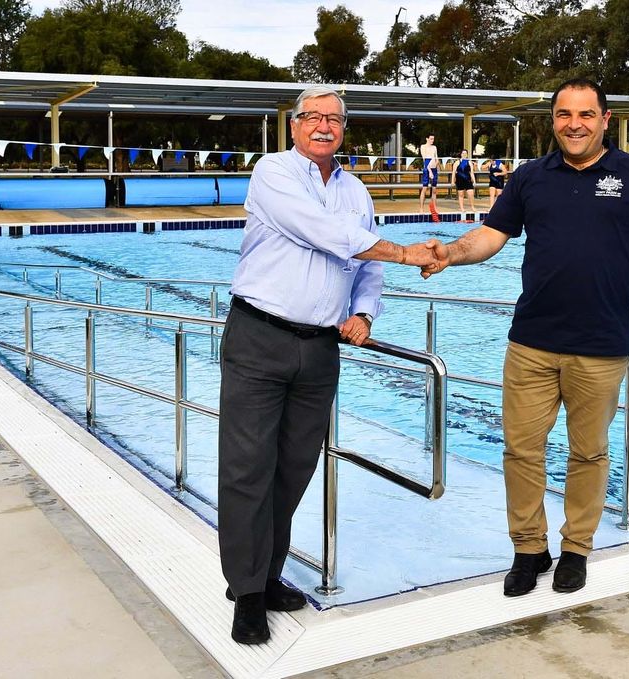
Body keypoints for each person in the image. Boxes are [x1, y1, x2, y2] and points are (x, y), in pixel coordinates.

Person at [419, 78, 629, 597]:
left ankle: (576, 549)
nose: (574, 124)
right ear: (553, 121)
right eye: (564, 114)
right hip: (532, 341)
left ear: (605, 119)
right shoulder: (531, 177)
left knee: (588, 454)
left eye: (586, 114)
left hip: (603, 343)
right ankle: (528, 549)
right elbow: (491, 236)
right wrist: (450, 253)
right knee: (521, 450)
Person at [219, 85, 437, 645]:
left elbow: (365, 267)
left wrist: (363, 313)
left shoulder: (355, 190)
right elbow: (325, 233)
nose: (323, 126)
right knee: (247, 468)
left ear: (344, 129)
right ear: (294, 125)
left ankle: (267, 575)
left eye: (333, 119)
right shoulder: (273, 172)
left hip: (320, 348)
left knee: (294, 468)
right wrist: (405, 252)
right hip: (260, 336)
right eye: (312, 116)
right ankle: (246, 593)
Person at [452, 149, 477, 218]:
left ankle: (472, 207)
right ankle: (462, 208)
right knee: (461, 195)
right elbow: (453, 172)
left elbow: (471, 173)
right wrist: (452, 181)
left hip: (468, 180)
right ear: (461, 154)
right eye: (463, 153)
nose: (464, 154)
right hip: (459, 180)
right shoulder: (457, 162)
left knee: (471, 194)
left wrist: (474, 181)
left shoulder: (469, 162)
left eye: (465, 153)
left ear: (467, 154)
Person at [419, 134, 439, 213]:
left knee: (434, 189)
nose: (432, 140)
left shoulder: (434, 147)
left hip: (434, 168)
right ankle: (421, 208)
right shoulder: (423, 147)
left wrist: (435, 166)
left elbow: (437, 159)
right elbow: (425, 160)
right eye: (431, 139)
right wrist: (430, 171)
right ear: (427, 139)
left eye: (433, 139)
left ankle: (435, 208)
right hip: (427, 168)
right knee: (424, 188)